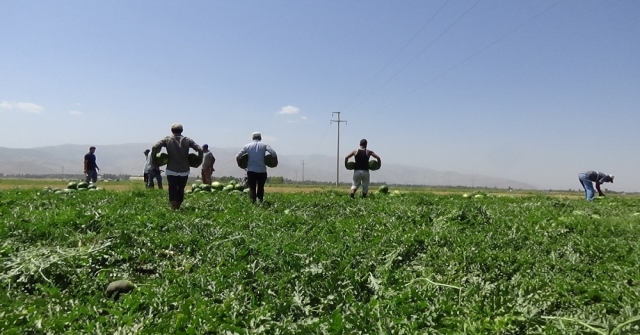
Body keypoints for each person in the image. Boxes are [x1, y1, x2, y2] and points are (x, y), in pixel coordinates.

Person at [151, 123, 202, 210]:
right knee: (181, 189)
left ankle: (174, 207)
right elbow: (200, 149)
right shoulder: (187, 140)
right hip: (184, 169)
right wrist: (199, 162)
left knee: (172, 188)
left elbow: (154, 147)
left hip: (171, 169)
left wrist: (155, 162)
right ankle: (177, 206)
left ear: (172, 131)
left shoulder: (167, 139)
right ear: (182, 131)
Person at [235, 132, 277, 203]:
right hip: (262, 171)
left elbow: (238, 156)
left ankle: (253, 203)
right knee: (260, 187)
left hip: (251, 171)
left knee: (252, 188)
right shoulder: (264, 145)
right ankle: (260, 201)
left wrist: (240, 164)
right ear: (260, 138)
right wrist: (275, 162)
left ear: (252, 138)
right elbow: (273, 153)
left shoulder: (247, 146)